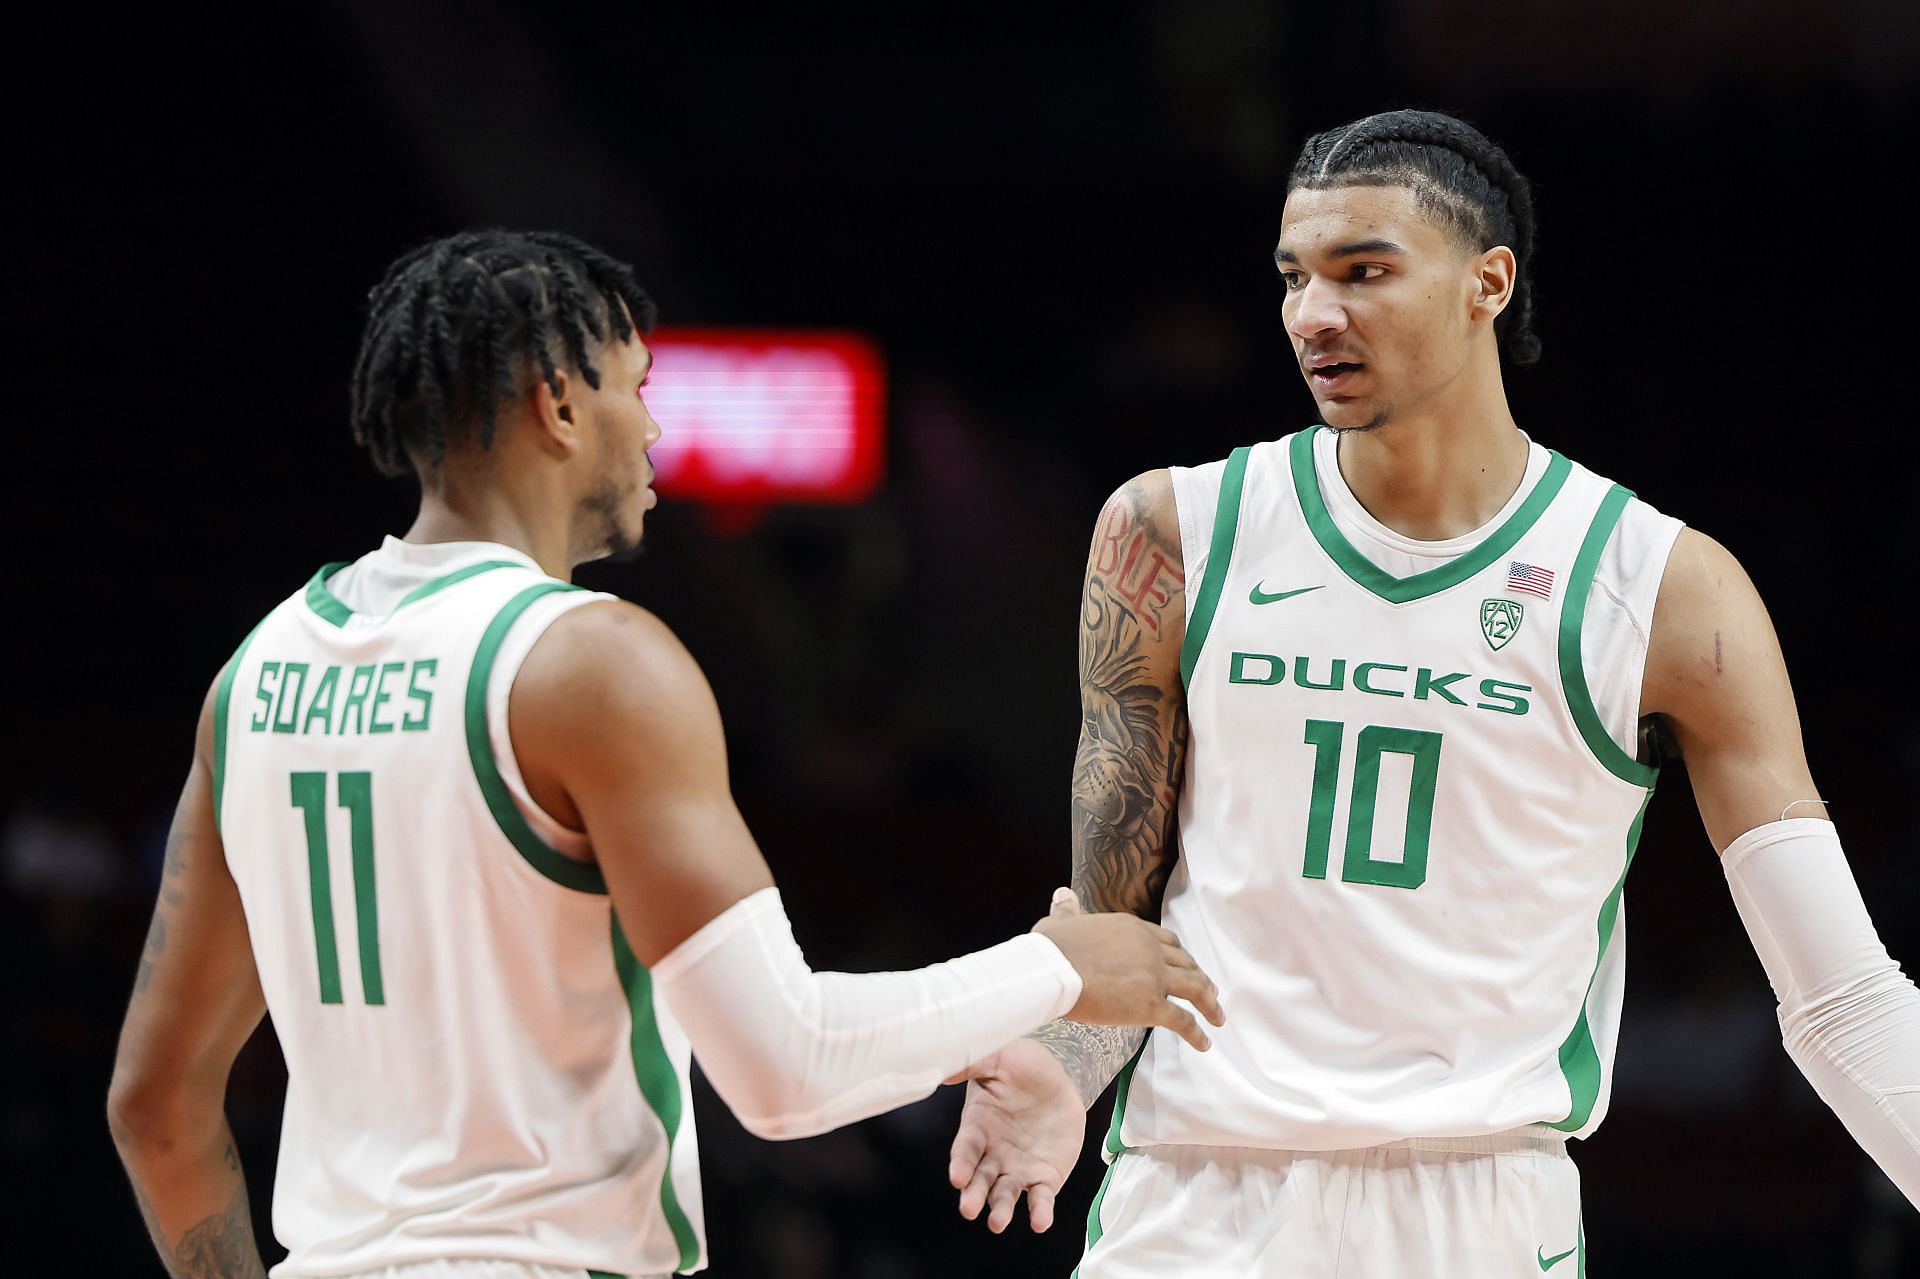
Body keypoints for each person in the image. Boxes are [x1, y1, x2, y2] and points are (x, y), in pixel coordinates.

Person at [105, 228, 1225, 1279]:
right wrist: (1065, 967)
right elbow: (785, 1068)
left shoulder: (253, 678)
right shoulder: (588, 664)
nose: (653, 429)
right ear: (555, 403)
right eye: (635, 388)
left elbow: (156, 1106)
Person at [947, 109, 1920, 1276]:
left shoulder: (1659, 587)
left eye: (1365, 271)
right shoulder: (1171, 531)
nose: (1316, 314)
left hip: (1479, 1208)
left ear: (1487, 283)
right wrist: (1064, 1061)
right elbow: (1117, 929)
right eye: (1295, 277)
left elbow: (1845, 1000)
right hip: (1194, 1197)